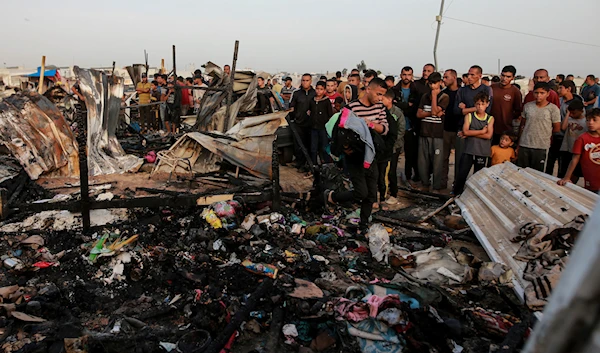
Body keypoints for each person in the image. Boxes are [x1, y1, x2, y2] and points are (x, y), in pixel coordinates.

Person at [326, 78, 389, 232]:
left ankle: (363, 225)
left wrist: (371, 125)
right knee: (361, 192)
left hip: (372, 156)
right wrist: (346, 148)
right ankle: (332, 197)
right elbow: (340, 131)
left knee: (371, 195)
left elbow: (385, 128)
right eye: (378, 94)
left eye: (382, 95)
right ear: (368, 89)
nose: (380, 98)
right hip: (355, 158)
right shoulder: (352, 107)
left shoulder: (379, 107)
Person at [454, 65, 493, 184]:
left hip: (481, 131)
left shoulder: (486, 90)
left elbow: (487, 110)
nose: (469, 77)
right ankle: (457, 189)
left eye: (472, 75)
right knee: (461, 165)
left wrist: (467, 109)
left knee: (479, 169)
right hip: (463, 130)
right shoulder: (462, 90)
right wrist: (473, 109)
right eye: (468, 74)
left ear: (479, 76)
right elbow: (457, 111)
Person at [453, 92, 494, 194]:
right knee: (462, 174)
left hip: (482, 151)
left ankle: (475, 195)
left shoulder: (490, 118)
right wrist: (481, 131)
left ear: (487, 104)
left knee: (478, 176)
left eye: (483, 104)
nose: (480, 107)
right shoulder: (469, 116)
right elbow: (465, 131)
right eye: (478, 104)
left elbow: (488, 136)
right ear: (475, 104)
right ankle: (456, 194)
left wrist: (471, 133)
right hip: (469, 150)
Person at [416, 72, 449, 191]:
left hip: (437, 134)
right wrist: (432, 113)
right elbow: (419, 114)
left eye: (435, 83)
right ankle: (425, 183)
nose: (433, 86)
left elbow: (436, 110)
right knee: (423, 161)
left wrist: (434, 97)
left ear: (440, 83)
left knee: (437, 162)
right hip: (424, 132)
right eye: (430, 83)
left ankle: (436, 186)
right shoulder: (424, 96)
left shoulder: (444, 97)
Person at [517, 82, 561, 172]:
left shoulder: (553, 109)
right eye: (536, 93)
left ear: (548, 94)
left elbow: (556, 128)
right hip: (525, 144)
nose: (539, 96)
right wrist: (519, 142)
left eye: (542, 93)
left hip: (541, 147)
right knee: (522, 172)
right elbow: (522, 125)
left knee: (538, 174)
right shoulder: (528, 106)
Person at [558, 108, 600, 193]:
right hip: (592, 182)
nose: (590, 123)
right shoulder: (582, 139)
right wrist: (567, 177)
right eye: (588, 120)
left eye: (594, 120)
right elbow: (575, 159)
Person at [393, 66, 420, 183]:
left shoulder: (416, 91)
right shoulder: (395, 90)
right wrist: (406, 105)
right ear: (401, 75)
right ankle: (392, 178)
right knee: (395, 152)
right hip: (397, 126)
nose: (406, 77)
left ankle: (409, 177)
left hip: (410, 126)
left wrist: (402, 106)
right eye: (404, 74)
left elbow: (415, 109)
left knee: (411, 154)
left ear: (412, 76)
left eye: (409, 75)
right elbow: (394, 107)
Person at [375, 89, 400, 206]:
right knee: (374, 177)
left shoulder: (392, 116)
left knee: (383, 177)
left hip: (385, 153)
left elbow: (395, 134)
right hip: (374, 152)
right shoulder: (374, 114)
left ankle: (383, 199)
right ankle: (374, 199)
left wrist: (386, 148)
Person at [491, 65, 523, 145]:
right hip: (490, 127)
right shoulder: (492, 88)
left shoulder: (515, 92)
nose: (504, 79)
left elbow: (518, 110)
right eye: (503, 75)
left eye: (508, 76)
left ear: (513, 77)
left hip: (506, 130)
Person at [290, 74, 316, 171]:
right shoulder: (297, 94)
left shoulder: (314, 93)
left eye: (307, 80)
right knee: (298, 145)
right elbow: (292, 107)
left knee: (309, 145)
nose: (305, 82)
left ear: (311, 81)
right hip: (298, 123)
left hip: (311, 124)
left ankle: (308, 165)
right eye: (303, 80)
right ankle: (300, 163)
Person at [385, 89, 406, 198]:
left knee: (392, 171)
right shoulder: (381, 111)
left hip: (394, 146)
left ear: (389, 99)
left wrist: (391, 142)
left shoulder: (397, 113)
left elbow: (401, 130)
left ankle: (394, 193)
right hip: (384, 147)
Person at [558, 100, 587, 180]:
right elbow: (563, 127)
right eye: (571, 112)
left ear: (581, 111)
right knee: (563, 171)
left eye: (574, 113)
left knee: (575, 173)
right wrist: (567, 114)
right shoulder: (570, 119)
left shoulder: (585, 122)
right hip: (566, 148)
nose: (572, 115)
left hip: (577, 150)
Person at [442, 69, 460, 190]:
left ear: (454, 78)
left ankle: (457, 185)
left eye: (446, 77)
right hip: (445, 130)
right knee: (443, 159)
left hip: (459, 130)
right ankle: (442, 183)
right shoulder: (443, 94)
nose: (444, 79)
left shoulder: (462, 93)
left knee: (459, 160)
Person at [308, 81, 333, 166]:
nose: (319, 91)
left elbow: (330, 115)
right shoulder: (312, 100)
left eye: (321, 89)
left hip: (323, 128)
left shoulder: (326, 101)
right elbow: (309, 111)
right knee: (313, 148)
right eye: (317, 89)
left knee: (324, 147)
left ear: (324, 90)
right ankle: (314, 165)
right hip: (313, 128)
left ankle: (326, 166)